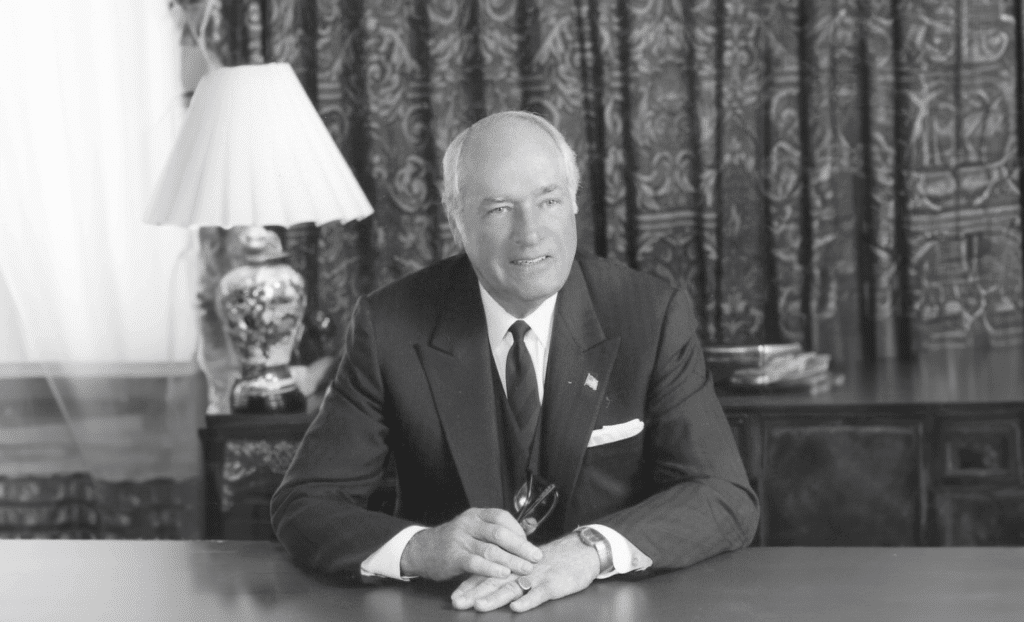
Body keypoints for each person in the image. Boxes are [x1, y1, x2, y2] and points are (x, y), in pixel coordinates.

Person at [270, 110, 758, 613]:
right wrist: (425, 548)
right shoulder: (390, 326)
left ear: (572, 202)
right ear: (457, 219)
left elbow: (723, 495)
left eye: (547, 200)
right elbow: (304, 503)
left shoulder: (649, 316)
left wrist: (591, 551)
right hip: (450, 608)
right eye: (499, 209)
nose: (530, 234)